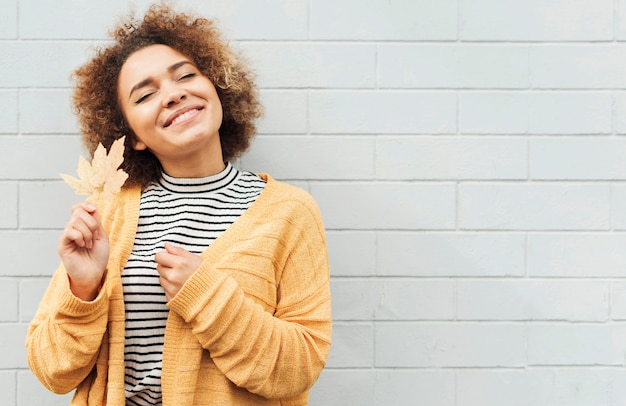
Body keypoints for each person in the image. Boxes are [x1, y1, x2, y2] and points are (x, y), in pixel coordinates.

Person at [25, 3, 332, 405]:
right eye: (146, 94)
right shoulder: (109, 211)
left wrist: (206, 295)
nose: (173, 94)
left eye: (186, 75)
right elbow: (52, 371)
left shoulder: (290, 212)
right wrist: (84, 287)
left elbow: (299, 367)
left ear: (217, 88)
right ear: (131, 135)